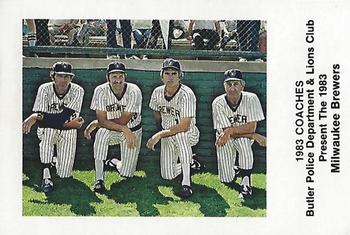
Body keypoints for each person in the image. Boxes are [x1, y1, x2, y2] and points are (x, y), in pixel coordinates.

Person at [22, 62, 85, 194]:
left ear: (71, 78)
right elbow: (44, 123)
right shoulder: (44, 89)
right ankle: (46, 175)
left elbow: (62, 117)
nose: (63, 80)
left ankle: (54, 161)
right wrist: (39, 117)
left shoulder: (78, 90)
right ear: (53, 76)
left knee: (64, 174)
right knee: (49, 131)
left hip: (68, 131)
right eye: (60, 76)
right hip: (47, 131)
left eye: (67, 76)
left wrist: (36, 116)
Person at [146, 58, 203, 199]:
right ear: (162, 75)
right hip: (167, 133)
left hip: (189, 133)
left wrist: (158, 135)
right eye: (167, 73)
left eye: (173, 73)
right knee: (167, 175)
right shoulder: (157, 92)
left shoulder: (187, 94)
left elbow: (184, 126)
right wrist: (162, 132)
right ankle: (191, 163)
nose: (170, 77)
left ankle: (186, 183)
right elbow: (157, 114)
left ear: (179, 76)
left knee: (181, 135)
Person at [88, 61, 142, 193]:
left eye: (120, 76)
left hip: (132, 131)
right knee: (101, 134)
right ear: (108, 77)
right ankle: (99, 180)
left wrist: (98, 123)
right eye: (114, 76)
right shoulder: (100, 90)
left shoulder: (134, 91)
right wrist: (102, 123)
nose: (118, 80)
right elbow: (102, 120)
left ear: (125, 77)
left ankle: (114, 162)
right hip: (113, 130)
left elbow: (124, 120)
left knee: (127, 173)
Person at [212, 69, 265, 201]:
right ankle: (235, 170)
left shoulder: (251, 98)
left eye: (236, 84)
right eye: (229, 84)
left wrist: (233, 131)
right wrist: (253, 135)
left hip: (241, 137)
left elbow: (252, 127)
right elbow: (225, 131)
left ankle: (246, 181)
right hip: (224, 139)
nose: (232, 88)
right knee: (226, 179)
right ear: (224, 86)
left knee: (243, 143)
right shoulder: (218, 102)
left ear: (242, 85)